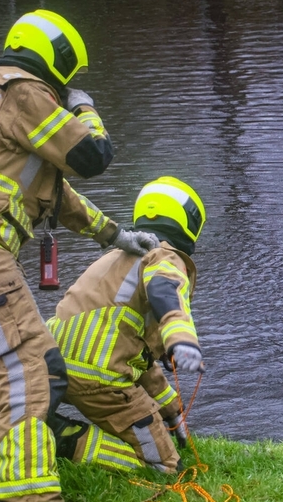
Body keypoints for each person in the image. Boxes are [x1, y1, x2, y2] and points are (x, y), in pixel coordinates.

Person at [0, 10, 159, 502]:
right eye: (67, 78)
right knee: (30, 362)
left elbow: (57, 192)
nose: (66, 88)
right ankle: (28, 499)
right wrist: (85, 108)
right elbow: (92, 156)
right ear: (54, 59)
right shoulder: (21, 90)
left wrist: (115, 235)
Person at [45, 176, 206, 476]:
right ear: (189, 222)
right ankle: (64, 441)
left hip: (51, 360)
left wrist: (172, 414)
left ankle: (51, 432)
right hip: (98, 374)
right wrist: (181, 338)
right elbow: (164, 291)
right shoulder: (165, 257)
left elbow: (136, 355)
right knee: (165, 467)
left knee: (151, 434)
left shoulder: (116, 258)